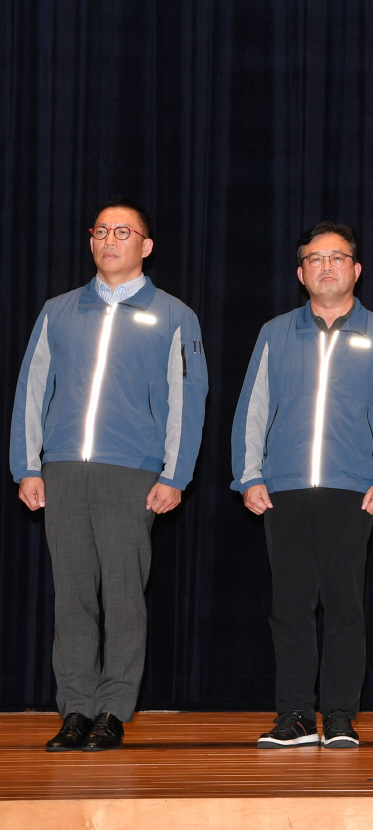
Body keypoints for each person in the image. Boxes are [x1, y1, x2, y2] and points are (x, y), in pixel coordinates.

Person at [10, 197, 208, 752]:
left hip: (132, 474)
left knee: (123, 595)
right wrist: (27, 465)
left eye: (123, 232)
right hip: (65, 469)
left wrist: (175, 474)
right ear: (90, 241)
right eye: (101, 231)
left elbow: (188, 403)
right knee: (71, 595)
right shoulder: (58, 311)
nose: (109, 240)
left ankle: (113, 711)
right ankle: (74, 709)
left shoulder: (174, 316)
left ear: (145, 246)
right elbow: (32, 391)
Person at [230, 222, 373, 749]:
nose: (326, 266)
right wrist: (249, 475)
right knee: (288, 607)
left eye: (337, 258)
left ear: (356, 270)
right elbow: (253, 407)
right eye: (315, 259)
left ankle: (338, 714)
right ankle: (293, 715)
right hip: (283, 488)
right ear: (300, 273)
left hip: (352, 490)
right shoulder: (275, 333)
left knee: (344, 606)